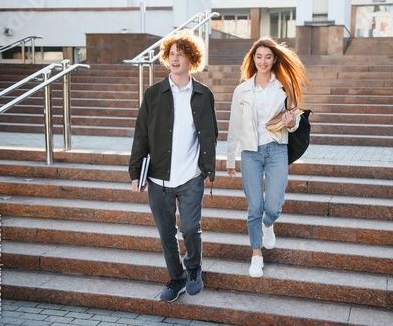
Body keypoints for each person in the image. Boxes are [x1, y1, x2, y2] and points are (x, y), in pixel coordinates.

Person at [129, 28, 218, 302]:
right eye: (171, 54)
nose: (176, 58)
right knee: (167, 234)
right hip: (159, 179)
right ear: (166, 58)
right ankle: (176, 277)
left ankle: (193, 269)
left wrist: (206, 168)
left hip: (191, 176)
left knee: (190, 228)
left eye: (182, 54)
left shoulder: (204, 94)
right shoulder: (154, 93)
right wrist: (135, 173)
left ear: (192, 59)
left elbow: (211, 133)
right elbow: (141, 133)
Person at [226, 37, 309, 277]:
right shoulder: (241, 90)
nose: (263, 61)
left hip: (277, 149)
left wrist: (292, 123)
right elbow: (235, 126)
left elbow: (295, 120)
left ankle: (268, 224)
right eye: (259, 56)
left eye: (268, 57)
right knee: (254, 207)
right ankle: (256, 255)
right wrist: (231, 159)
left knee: (272, 205)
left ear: (274, 60)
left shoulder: (284, 87)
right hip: (250, 153)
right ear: (253, 59)